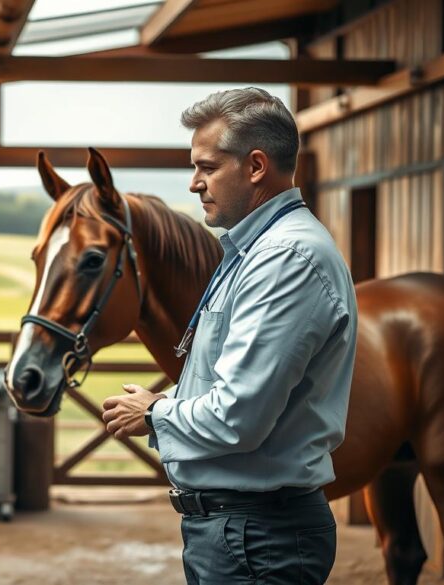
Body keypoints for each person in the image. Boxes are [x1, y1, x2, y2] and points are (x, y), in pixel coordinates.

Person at [100, 87, 358, 584]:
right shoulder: (252, 252)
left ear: (256, 166)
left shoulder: (285, 259)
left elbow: (239, 416)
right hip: (240, 531)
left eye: (208, 167)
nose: (195, 183)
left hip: (257, 537)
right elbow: (225, 383)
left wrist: (153, 412)